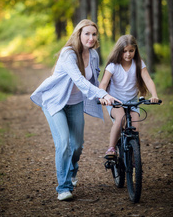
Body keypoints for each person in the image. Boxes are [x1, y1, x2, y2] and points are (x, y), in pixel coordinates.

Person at [30, 19, 118, 201]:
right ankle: (63, 188)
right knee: (63, 143)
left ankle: (71, 170)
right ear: (79, 34)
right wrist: (100, 93)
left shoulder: (93, 55)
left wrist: (105, 94)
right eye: (87, 33)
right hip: (55, 102)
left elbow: (94, 80)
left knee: (77, 145)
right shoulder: (68, 54)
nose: (91, 38)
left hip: (76, 102)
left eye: (94, 34)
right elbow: (79, 80)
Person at [99, 34, 159, 159]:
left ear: (135, 50)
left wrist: (154, 95)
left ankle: (133, 157)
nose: (128, 54)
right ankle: (111, 147)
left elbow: (148, 80)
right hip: (115, 100)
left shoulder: (139, 64)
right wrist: (102, 97)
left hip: (132, 100)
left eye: (131, 51)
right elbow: (103, 84)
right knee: (121, 120)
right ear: (119, 51)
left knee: (135, 128)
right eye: (124, 51)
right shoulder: (113, 66)